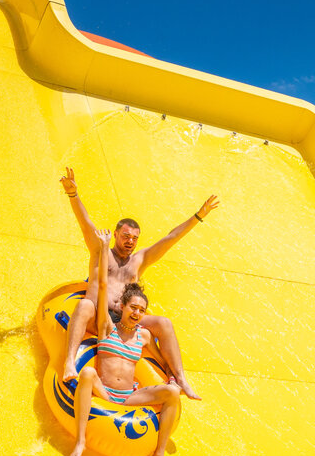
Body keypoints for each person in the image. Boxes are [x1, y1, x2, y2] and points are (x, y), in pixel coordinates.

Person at [58, 167, 217, 400]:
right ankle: (69, 364)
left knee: (164, 323)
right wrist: (73, 194)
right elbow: (85, 223)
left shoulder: (139, 260)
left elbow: (170, 238)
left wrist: (198, 216)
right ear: (115, 234)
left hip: (124, 322)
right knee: (83, 306)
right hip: (98, 319)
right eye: (126, 236)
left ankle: (180, 377)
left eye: (134, 238)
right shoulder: (100, 249)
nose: (130, 241)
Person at [68, 228, 182, 456]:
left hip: (129, 396)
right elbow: (102, 284)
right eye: (133, 308)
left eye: (142, 310)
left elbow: (160, 360)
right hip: (105, 391)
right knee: (87, 373)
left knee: (173, 393)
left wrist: (172, 378)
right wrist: (103, 247)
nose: (137, 313)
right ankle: (80, 440)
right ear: (122, 306)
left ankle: (159, 455)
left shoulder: (143, 336)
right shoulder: (106, 326)